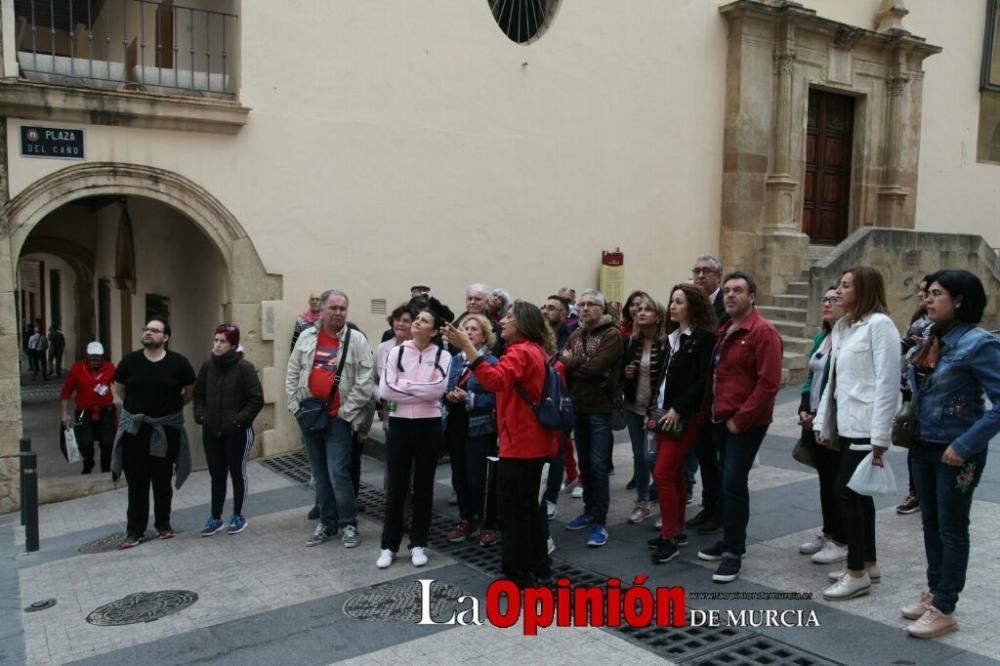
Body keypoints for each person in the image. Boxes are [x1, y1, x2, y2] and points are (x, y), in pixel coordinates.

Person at [902, 270, 1000, 638]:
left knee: (952, 528)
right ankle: (935, 591)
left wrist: (965, 444)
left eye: (937, 294)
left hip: (957, 450)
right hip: (924, 444)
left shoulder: (979, 344)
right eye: (927, 293)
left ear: (959, 300)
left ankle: (945, 607)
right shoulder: (929, 335)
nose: (927, 299)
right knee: (930, 522)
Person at [443, 300, 558, 587]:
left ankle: (518, 574)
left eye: (509, 317)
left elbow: (494, 380)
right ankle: (539, 567)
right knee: (531, 510)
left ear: (523, 324)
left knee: (514, 513)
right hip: (531, 442)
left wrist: (466, 346)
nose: (502, 321)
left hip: (520, 445)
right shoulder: (533, 351)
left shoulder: (521, 352)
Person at [813, 266, 900, 601]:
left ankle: (856, 574)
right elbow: (833, 382)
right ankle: (868, 562)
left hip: (866, 425)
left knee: (846, 493)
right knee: (859, 494)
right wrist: (823, 422)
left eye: (846, 286)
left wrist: (880, 435)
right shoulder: (844, 327)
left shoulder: (880, 326)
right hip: (847, 423)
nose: (838, 291)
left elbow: (888, 383)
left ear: (864, 289)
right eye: (838, 285)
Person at [697, 272, 782, 583]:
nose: (730, 295)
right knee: (725, 480)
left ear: (752, 297)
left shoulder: (763, 332)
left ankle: (734, 551)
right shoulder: (725, 329)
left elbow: (769, 383)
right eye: (728, 290)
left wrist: (739, 420)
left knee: (733, 481)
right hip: (720, 419)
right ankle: (728, 539)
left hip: (744, 423)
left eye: (738, 290)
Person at [287, 289, 375, 549]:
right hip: (310, 416)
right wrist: (295, 406)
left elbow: (365, 381)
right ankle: (327, 524)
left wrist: (347, 414)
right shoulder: (306, 337)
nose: (338, 313)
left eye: (342, 308)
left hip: (339, 419)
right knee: (319, 473)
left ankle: (349, 524)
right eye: (333, 307)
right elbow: (292, 372)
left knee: (338, 473)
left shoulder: (356, 340)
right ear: (322, 309)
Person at [376, 306, 452, 569]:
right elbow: (386, 390)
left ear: (432, 331)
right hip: (399, 425)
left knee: (423, 486)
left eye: (423, 321)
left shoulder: (442, 355)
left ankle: (418, 543)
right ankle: (389, 545)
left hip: (429, 425)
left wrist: (405, 385)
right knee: (396, 487)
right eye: (416, 319)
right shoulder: (397, 352)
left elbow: (438, 390)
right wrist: (418, 390)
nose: (417, 323)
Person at [111, 316, 197, 549]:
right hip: (136, 431)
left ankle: (163, 525)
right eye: (146, 329)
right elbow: (120, 389)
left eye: (155, 330)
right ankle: (135, 531)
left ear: (165, 337)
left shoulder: (178, 363)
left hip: (165, 430)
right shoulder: (130, 361)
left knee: (161, 480)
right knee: (137, 482)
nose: (148, 333)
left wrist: (171, 409)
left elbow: (189, 390)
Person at [648, 284, 716, 564]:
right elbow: (662, 379)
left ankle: (670, 537)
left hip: (685, 416)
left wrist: (679, 407)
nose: (673, 306)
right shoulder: (672, 338)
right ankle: (676, 530)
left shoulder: (703, 339)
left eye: (679, 302)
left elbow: (703, 380)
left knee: (663, 474)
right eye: (672, 301)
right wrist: (652, 412)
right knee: (672, 475)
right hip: (664, 413)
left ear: (693, 307)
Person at [561, 288, 624, 548]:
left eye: (590, 304)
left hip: (600, 408)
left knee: (598, 466)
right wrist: (579, 363)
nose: (584, 309)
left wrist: (574, 362)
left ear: (602, 308)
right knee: (585, 464)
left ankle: (600, 521)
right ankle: (588, 511)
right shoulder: (576, 334)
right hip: (579, 406)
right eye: (581, 304)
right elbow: (563, 363)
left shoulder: (612, 334)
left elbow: (597, 368)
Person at [193, 324, 264, 536]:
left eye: (222, 341)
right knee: (217, 475)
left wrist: (238, 421)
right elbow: (198, 395)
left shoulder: (244, 368)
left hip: (237, 433)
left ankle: (238, 515)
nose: (217, 345)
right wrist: (201, 416)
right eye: (215, 340)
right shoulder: (207, 366)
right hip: (212, 432)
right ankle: (215, 517)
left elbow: (256, 399)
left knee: (237, 474)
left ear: (233, 344)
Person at [796, 287, 849, 566]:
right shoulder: (822, 337)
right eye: (824, 299)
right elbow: (809, 379)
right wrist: (804, 407)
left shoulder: (846, 340)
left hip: (832, 420)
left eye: (834, 299)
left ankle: (841, 539)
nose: (827, 304)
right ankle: (828, 532)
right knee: (825, 480)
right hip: (813, 418)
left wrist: (818, 414)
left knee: (837, 480)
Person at [443, 314, 499, 546]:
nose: (469, 332)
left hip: (480, 427)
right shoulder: (456, 359)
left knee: (479, 478)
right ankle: (466, 519)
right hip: (456, 424)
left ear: (485, 335)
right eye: (466, 328)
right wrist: (449, 395)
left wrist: (469, 398)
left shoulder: (491, 361)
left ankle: (487, 523)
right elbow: (446, 386)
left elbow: (497, 397)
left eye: (474, 329)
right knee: (459, 476)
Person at [687, 254, 728, 529]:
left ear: (718, 277)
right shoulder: (690, 304)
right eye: (697, 271)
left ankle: (721, 511)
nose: (701, 276)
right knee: (703, 456)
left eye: (707, 271)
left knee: (719, 459)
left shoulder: (724, 306)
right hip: (698, 396)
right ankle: (708, 505)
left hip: (718, 395)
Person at [621, 291, 667, 524]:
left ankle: (665, 502)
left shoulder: (668, 343)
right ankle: (642, 502)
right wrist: (627, 374)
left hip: (656, 411)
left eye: (647, 309)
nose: (640, 313)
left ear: (659, 316)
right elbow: (622, 374)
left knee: (653, 457)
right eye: (639, 310)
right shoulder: (631, 341)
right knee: (639, 456)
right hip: (633, 407)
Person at [896, 275, 934, 516]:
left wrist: (923, 351)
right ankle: (916, 491)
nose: (921, 295)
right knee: (913, 440)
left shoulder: (938, 325)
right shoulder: (919, 320)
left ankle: (922, 492)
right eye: (920, 291)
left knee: (923, 442)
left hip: (925, 389)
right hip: (909, 387)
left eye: (927, 291)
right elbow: (905, 343)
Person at [539, 295, 580, 514]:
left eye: (552, 308)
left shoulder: (572, 337)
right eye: (544, 306)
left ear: (564, 314)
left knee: (556, 453)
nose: (546, 311)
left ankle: (551, 499)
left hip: (562, 402)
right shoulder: (538, 335)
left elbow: (573, 368)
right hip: (540, 401)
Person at [60, 342, 116, 474]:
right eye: (92, 357)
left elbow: (121, 383)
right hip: (82, 411)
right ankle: (88, 461)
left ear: (102, 357)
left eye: (98, 356)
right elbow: (66, 392)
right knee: (84, 442)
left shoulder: (110, 368)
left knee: (108, 442)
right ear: (87, 356)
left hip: (105, 410)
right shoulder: (77, 368)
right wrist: (64, 413)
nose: (95, 360)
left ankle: (106, 469)